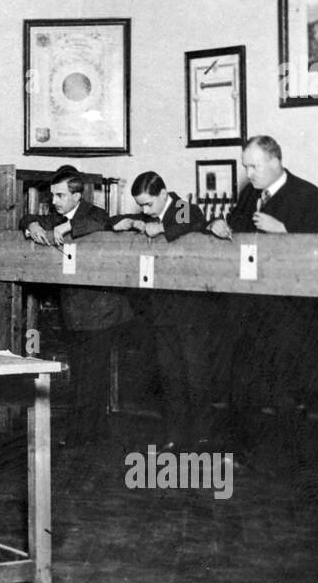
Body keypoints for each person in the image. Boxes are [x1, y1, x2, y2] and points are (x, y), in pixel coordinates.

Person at [18, 166, 132, 440]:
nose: (54, 201)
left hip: (102, 312)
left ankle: (82, 434)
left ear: (77, 195)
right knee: (82, 374)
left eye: (59, 195)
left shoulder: (92, 213)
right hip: (76, 312)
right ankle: (90, 431)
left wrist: (69, 225)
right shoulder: (53, 217)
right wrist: (31, 225)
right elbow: (27, 217)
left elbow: (105, 222)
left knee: (91, 376)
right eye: (52, 195)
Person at [111, 172, 212, 449]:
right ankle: (175, 437)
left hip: (191, 314)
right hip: (163, 313)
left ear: (164, 193)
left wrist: (159, 227)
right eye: (140, 206)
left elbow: (190, 221)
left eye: (148, 204)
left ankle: (202, 440)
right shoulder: (148, 216)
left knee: (197, 380)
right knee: (171, 378)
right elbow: (113, 222)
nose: (145, 210)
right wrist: (134, 221)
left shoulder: (183, 208)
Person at [208, 135, 318, 237]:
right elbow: (231, 224)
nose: (248, 174)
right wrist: (213, 225)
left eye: (254, 167)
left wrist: (284, 230)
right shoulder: (249, 192)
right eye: (246, 167)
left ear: (274, 163)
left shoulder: (310, 195)